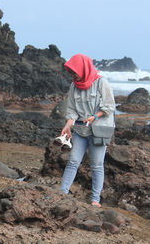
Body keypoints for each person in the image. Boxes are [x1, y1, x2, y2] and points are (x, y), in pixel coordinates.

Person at [59, 53, 115, 207]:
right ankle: (62, 193)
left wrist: (94, 117)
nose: (73, 75)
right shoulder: (73, 86)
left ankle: (95, 199)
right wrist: (68, 125)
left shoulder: (101, 82)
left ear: (83, 68)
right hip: (80, 131)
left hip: (98, 131)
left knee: (97, 165)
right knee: (72, 161)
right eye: (70, 73)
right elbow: (71, 110)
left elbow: (110, 106)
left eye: (74, 72)